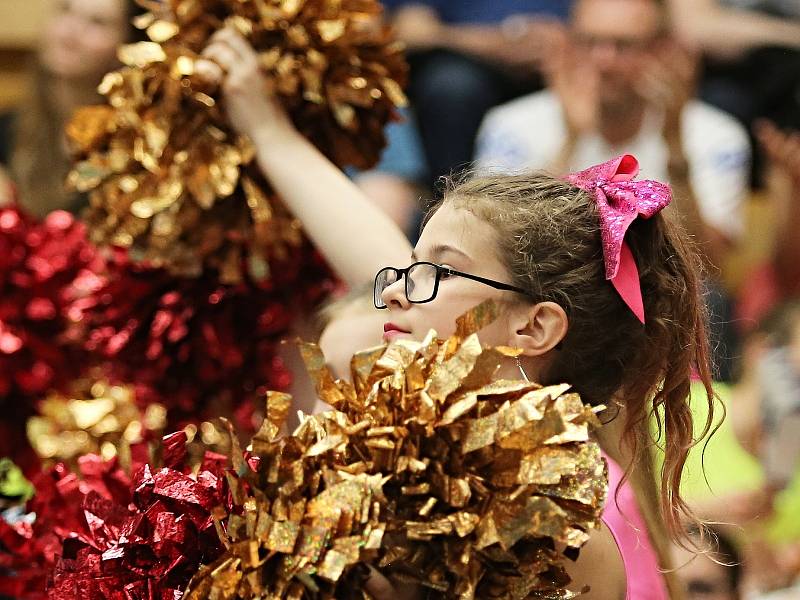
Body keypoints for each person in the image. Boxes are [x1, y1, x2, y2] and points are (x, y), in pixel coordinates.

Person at [201, 28, 719, 599]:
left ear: (534, 326)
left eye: (438, 270)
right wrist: (268, 131)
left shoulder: (553, 518)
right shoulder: (411, 408)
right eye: (412, 264)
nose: (395, 290)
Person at [475, 0, 750, 381]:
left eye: (623, 46)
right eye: (589, 43)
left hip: (658, 307)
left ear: (662, 51)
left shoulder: (714, 134)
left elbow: (709, 269)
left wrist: (674, 144)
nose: (603, 61)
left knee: (711, 304)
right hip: (548, 299)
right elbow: (496, 248)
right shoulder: (512, 126)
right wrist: (572, 141)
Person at [381, 0, 571, 187]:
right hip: (468, 65)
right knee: (451, 87)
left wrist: (568, 40)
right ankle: (452, 200)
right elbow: (412, 30)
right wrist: (494, 42)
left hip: (565, 57)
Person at [0, 0, 146, 217]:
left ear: (128, 47)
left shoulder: (138, 145)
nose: (72, 30)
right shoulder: (6, 128)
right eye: (65, 9)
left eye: (97, 22)